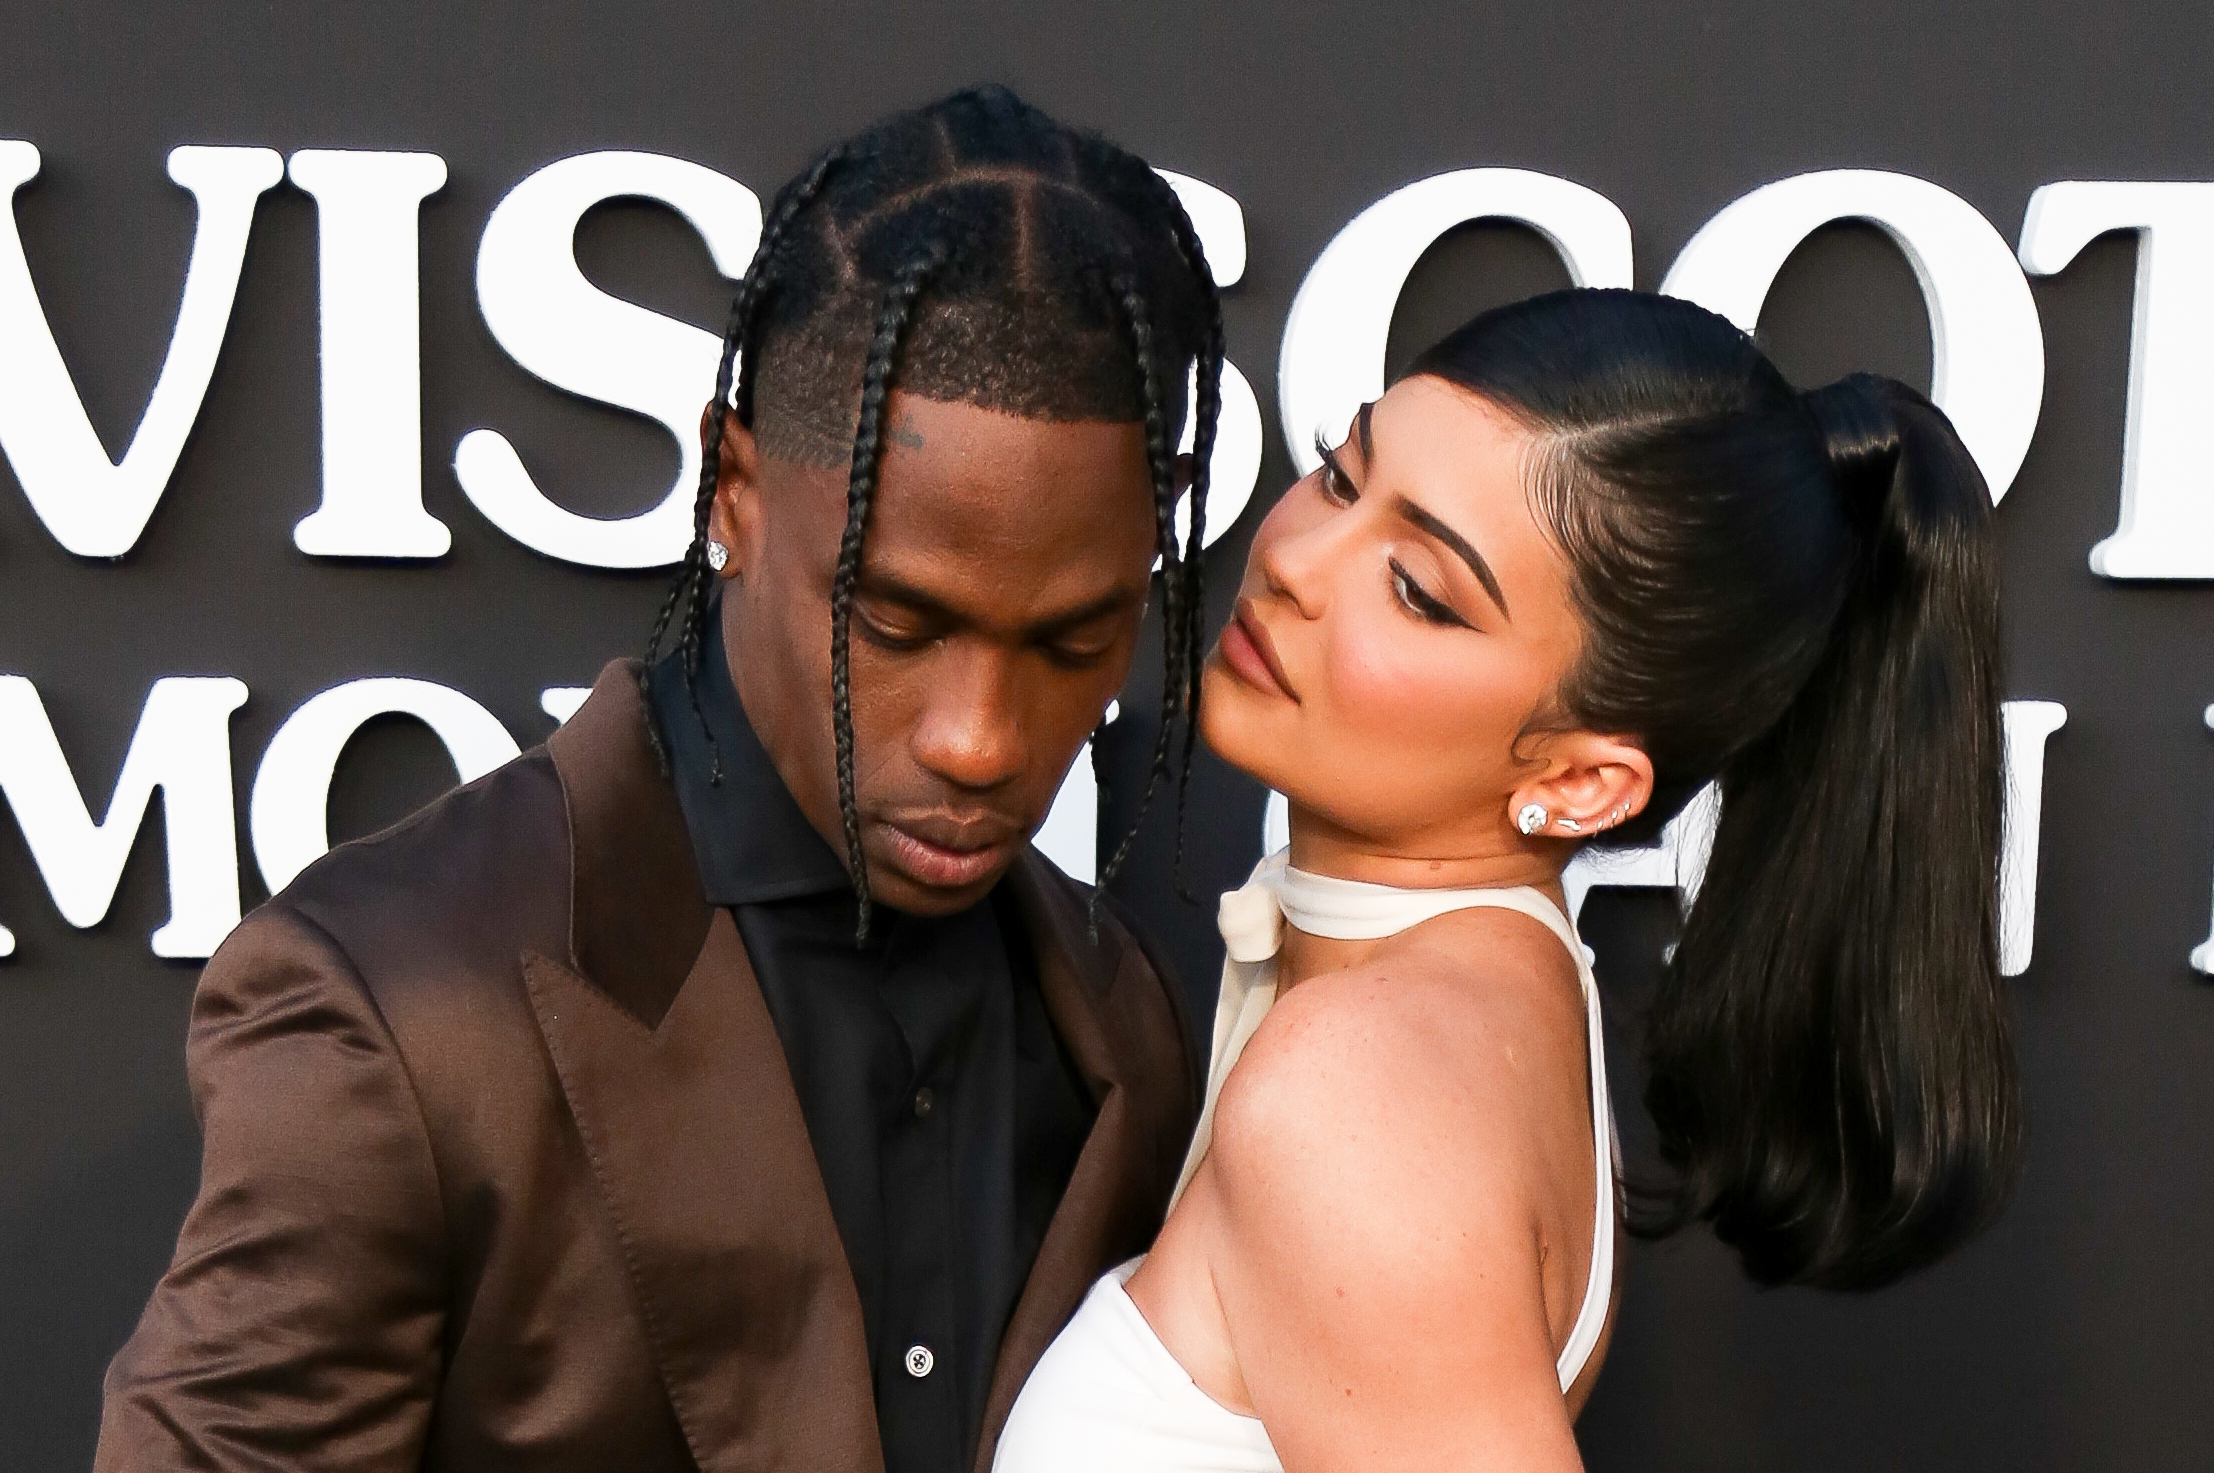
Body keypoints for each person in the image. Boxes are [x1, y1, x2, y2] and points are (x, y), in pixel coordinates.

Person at [96, 87, 1225, 1473]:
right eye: (894, 624)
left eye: (1074, 638)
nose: (983, 740)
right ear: (732, 494)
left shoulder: (1135, 1024)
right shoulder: (395, 1011)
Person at [995, 288, 2023, 1471]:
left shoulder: (1355, 1094)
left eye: (1422, 591)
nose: (1295, 563)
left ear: (1584, 783)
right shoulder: (1509, 987)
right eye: (1340, 474)